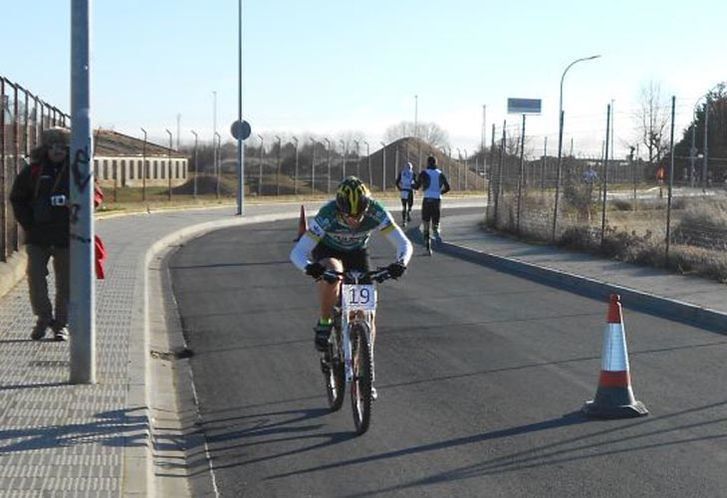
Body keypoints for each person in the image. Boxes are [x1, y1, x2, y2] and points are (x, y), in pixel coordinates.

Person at [290, 177, 413, 395]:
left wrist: (400, 263)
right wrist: (310, 268)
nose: (355, 221)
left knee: (367, 314)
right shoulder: (327, 214)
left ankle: (363, 372)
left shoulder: (376, 211)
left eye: (360, 216)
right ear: (340, 209)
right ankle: (326, 321)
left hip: (357, 253)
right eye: (349, 216)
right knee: (334, 273)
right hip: (328, 251)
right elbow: (298, 252)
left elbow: (403, 243)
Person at [10, 127, 73, 341]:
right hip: (38, 236)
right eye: (53, 146)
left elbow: (94, 195)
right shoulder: (33, 171)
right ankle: (44, 317)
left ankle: (61, 325)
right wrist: (29, 223)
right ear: (45, 148)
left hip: (67, 236)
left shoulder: (77, 171)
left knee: (66, 283)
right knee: (35, 278)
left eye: (62, 147)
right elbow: (17, 198)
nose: (57, 151)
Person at [417, 155, 450, 241]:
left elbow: (417, 186)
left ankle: (426, 237)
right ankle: (436, 231)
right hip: (437, 199)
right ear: (436, 163)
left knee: (426, 219)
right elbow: (447, 188)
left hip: (427, 198)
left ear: (428, 163)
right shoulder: (440, 173)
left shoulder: (424, 173)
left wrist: (412, 185)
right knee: (436, 218)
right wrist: (440, 192)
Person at [395, 162, 417, 226]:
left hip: (404, 191)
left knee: (405, 206)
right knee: (409, 205)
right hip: (409, 191)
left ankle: (404, 220)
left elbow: (397, 182)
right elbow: (416, 183)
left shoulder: (401, 173)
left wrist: (400, 188)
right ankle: (407, 215)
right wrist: (415, 187)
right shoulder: (412, 173)